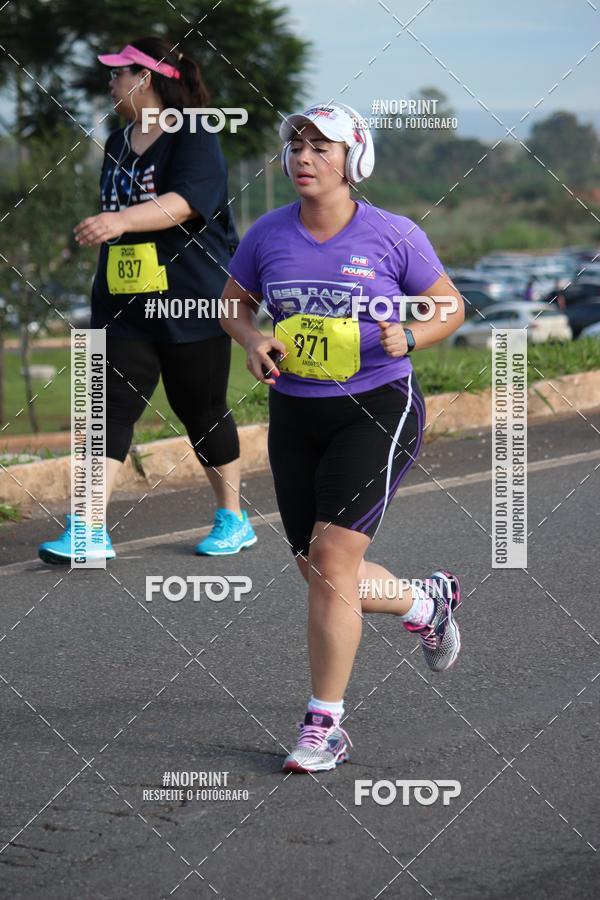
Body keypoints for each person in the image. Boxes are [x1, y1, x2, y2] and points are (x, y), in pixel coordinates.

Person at [218, 103, 465, 773]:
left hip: (378, 408)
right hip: (296, 414)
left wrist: (412, 334)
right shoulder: (268, 234)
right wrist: (252, 338)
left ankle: (324, 725)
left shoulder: (392, 235)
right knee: (319, 570)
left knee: (331, 564)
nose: (303, 157)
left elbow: (450, 304)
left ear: (353, 160)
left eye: (321, 147)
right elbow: (232, 301)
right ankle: (424, 601)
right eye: (296, 144)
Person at [38, 37, 256, 563]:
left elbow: (187, 203)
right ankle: (89, 527)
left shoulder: (195, 134)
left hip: (190, 298)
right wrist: (112, 229)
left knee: (200, 409)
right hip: (121, 301)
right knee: (106, 409)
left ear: (151, 79)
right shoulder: (116, 143)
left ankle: (233, 516)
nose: (111, 83)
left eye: (120, 74)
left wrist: (122, 220)